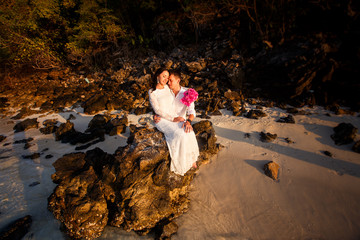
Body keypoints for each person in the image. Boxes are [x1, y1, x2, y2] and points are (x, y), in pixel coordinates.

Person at [148, 68, 199, 176]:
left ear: (178, 80)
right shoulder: (163, 89)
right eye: (165, 77)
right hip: (167, 119)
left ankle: (192, 159)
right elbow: (158, 108)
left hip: (179, 119)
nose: (167, 81)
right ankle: (181, 162)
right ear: (158, 76)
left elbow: (192, 112)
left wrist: (189, 121)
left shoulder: (187, 93)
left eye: (169, 79)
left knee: (188, 132)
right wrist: (155, 115)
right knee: (180, 134)